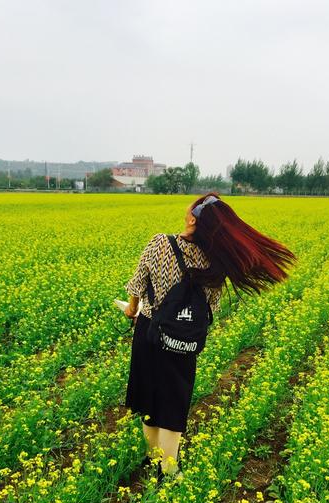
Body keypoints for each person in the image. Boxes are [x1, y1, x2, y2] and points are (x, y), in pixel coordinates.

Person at [123, 192, 297, 483]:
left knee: (149, 394)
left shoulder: (159, 243)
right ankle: (169, 468)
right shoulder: (215, 261)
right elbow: (211, 306)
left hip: (150, 331)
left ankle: (155, 459)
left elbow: (138, 284)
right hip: (185, 337)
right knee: (174, 399)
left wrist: (132, 309)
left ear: (192, 218)